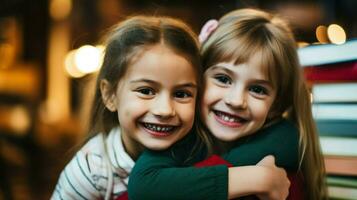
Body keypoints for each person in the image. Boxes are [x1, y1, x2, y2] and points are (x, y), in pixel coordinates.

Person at [51, 15, 289, 200]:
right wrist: (257, 178)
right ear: (110, 95)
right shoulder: (91, 170)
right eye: (146, 91)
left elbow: (289, 137)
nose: (165, 110)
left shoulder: (197, 140)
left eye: (182, 94)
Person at [128, 8, 327, 200]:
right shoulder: (181, 134)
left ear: (276, 105)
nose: (236, 101)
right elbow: (144, 186)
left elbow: (292, 141)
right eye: (223, 79)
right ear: (195, 79)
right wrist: (256, 178)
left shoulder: (284, 142)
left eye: (257, 90)